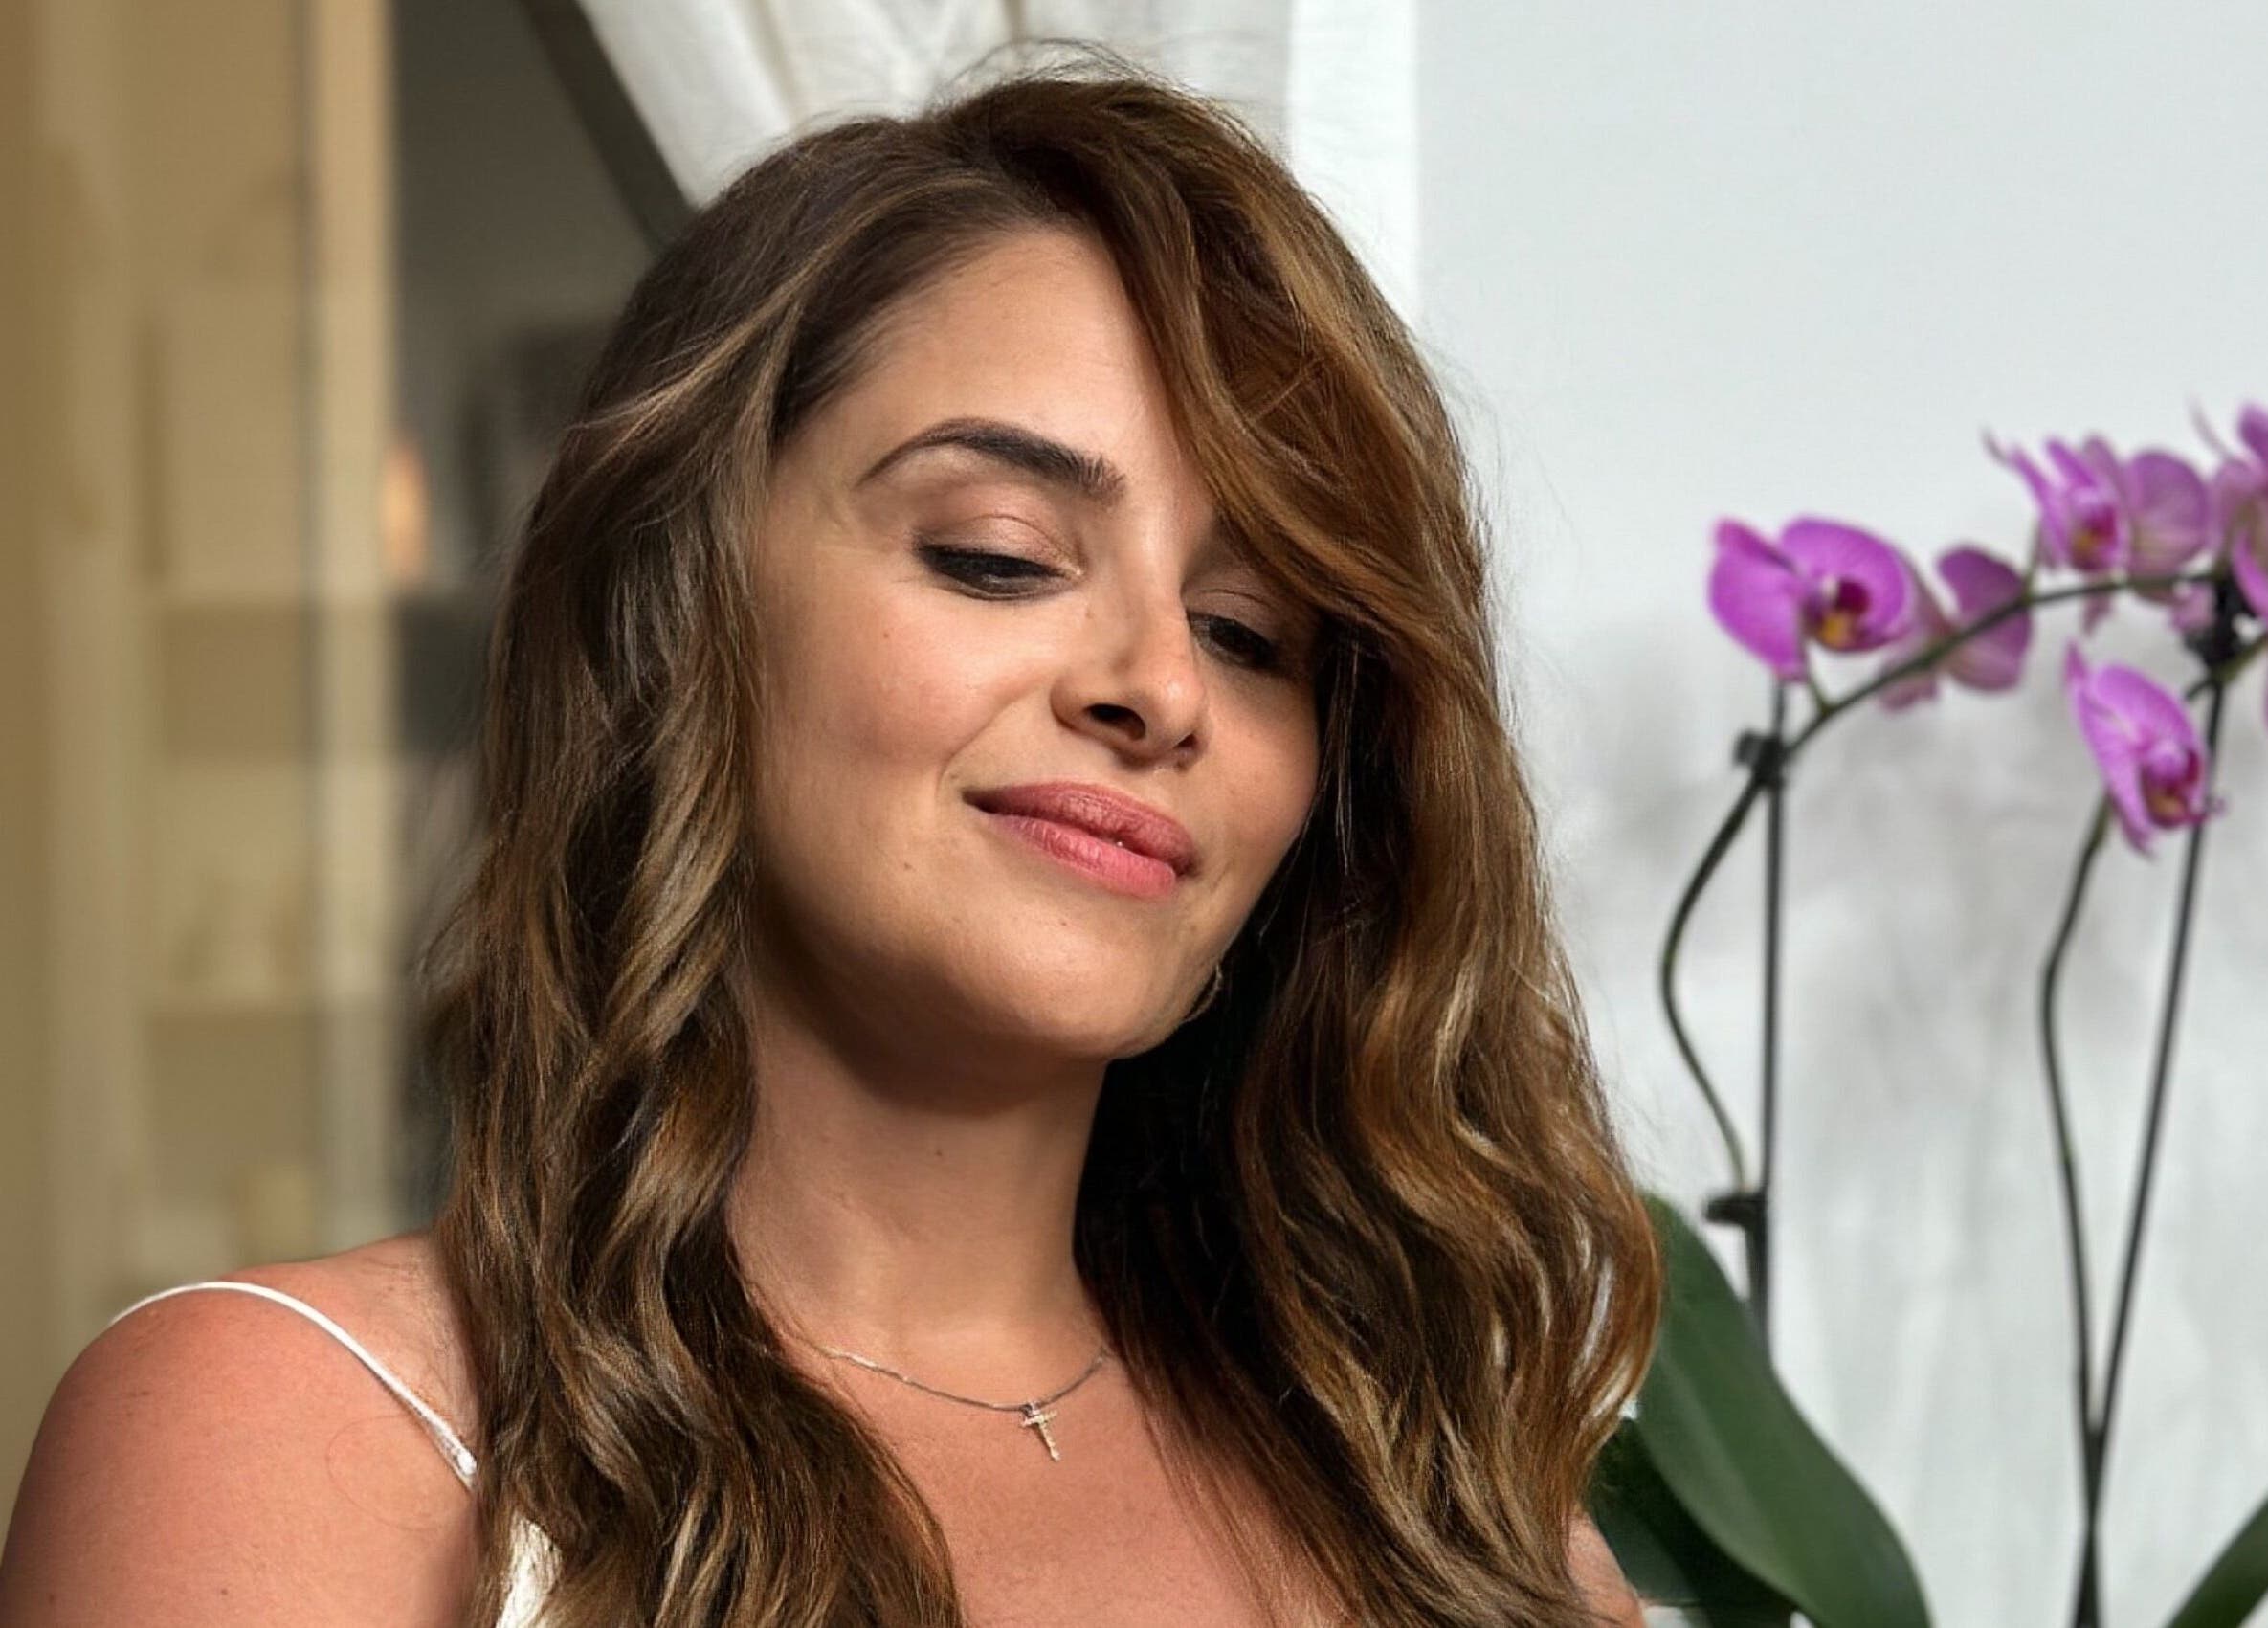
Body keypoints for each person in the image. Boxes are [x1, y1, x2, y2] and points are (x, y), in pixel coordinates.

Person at [0, 48, 1659, 1628]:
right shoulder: (304, 1430)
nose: (1159, 685)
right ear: (686, 603)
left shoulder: (1446, 1495)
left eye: (1251, 635)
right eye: (999, 555)